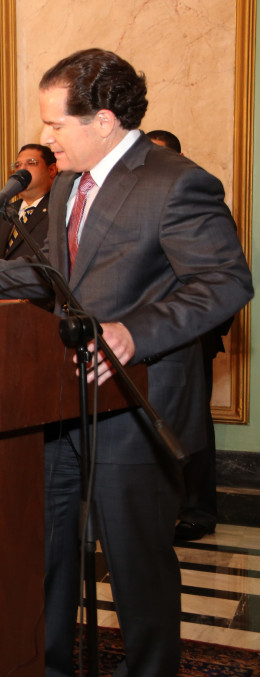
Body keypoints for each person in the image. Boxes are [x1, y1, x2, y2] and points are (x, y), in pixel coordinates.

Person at [0, 49, 253, 677]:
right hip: (60, 403)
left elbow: (226, 282)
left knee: (137, 569)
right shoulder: (67, 188)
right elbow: (51, 273)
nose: (45, 137)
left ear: (104, 120)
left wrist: (133, 333)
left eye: (56, 124)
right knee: (49, 555)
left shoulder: (178, 183)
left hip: (135, 406)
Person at [144, 130, 231, 543]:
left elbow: (220, 278)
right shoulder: (141, 202)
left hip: (192, 336)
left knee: (192, 427)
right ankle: (160, 508)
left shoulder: (195, 197)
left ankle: (198, 510)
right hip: (147, 338)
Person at [0, 144, 57, 262]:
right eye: (17, 165)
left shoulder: (59, 211)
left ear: (51, 170)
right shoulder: (0, 214)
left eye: (31, 163)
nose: (22, 169)